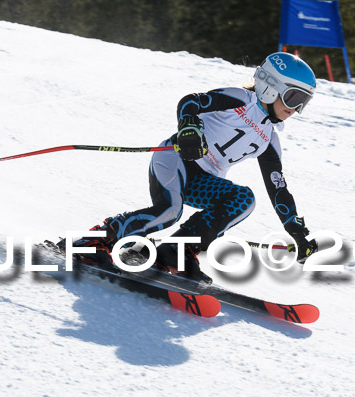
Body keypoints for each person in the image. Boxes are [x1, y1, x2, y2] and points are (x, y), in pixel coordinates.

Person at [63, 52, 319, 282]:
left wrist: (295, 229)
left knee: (244, 199)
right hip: (176, 159)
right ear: (270, 87)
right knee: (169, 212)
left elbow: (278, 187)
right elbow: (191, 102)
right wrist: (189, 128)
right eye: (293, 96)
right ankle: (90, 242)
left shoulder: (270, 138)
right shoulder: (240, 98)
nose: (295, 108)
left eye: (303, 102)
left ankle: (176, 250)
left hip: (203, 182)